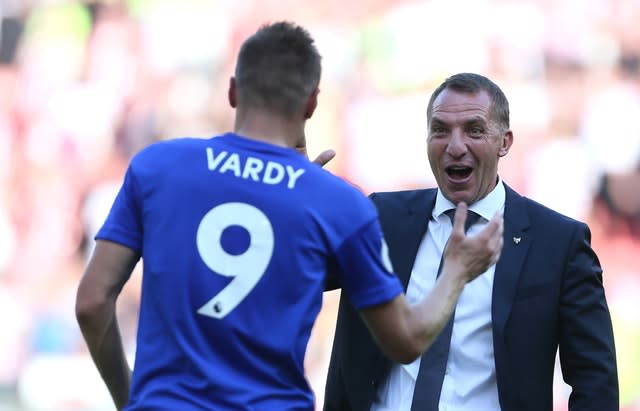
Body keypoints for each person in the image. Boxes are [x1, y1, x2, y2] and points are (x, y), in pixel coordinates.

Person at [75, 24, 504, 411]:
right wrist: (456, 271)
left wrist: (128, 398)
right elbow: (406, 339)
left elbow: (93, 303)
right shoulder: (336, 202)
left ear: (232, 92)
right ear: (313, 103)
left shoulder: (157, 167)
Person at [323, 72, 619, 411]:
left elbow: (595, 382)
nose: (455, 146)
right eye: (441, 130)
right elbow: (299, 273)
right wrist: (286, 206)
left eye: (474, 130)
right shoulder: (379, 219)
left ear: (504, 142)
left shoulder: (558, 243)